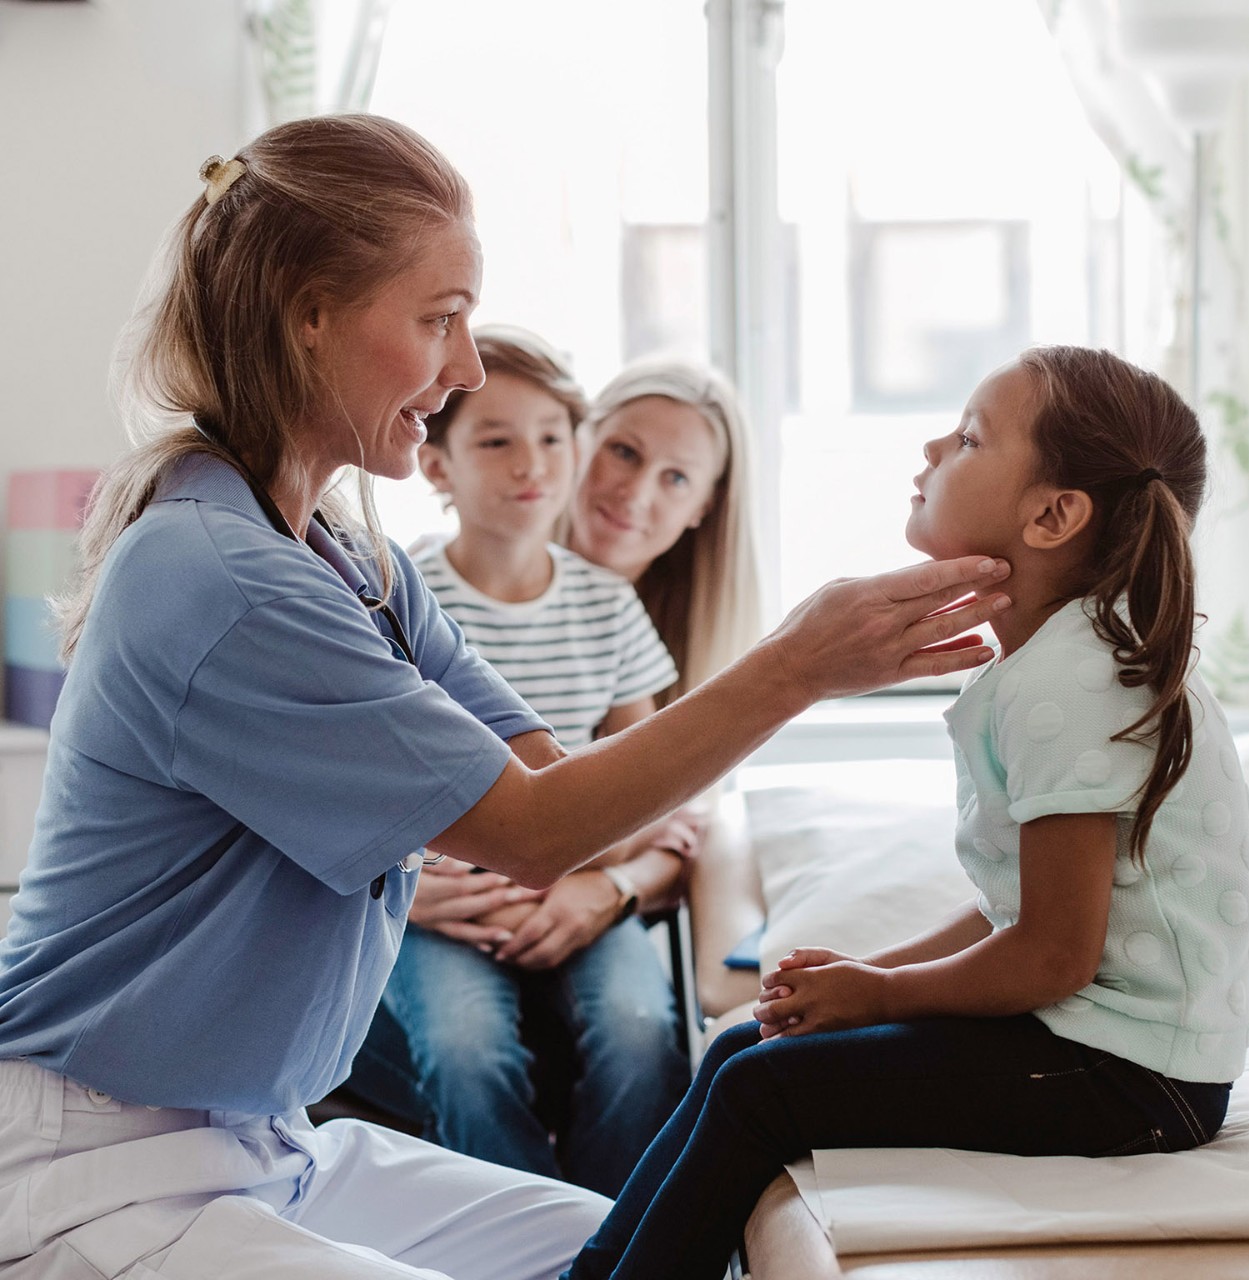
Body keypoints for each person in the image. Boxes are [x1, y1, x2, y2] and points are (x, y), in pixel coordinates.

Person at [0, 113, 1010, 1280]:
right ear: (305, 310)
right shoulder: (223, 580)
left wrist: (651, 838)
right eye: (438, 318)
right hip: (104, 1162)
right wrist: (793, 665)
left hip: (260, 1140)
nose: (468, 366)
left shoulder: (347, 557)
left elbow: (551, 781)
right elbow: (536, 835)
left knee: (664, 1251)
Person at [563, 345, 1249, 1280]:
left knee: (762, 1089)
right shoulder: (1065, 656)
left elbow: (1054, 954)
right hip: (1101, 1044)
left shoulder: (1072, 678)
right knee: (745, 1042)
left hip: (1137, 1078)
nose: (934, 444)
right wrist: (861, 976)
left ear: (1054, 515)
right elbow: (1023, 909)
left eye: (969, 436)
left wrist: (882, 996)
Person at [346, 325, 692, 1196]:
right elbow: (361, 785)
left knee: (643, 1028)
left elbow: (642, 776)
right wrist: (409, 884)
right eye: (495, 441)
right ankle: (521, 1242)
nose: (530, 464)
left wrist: (595, 870)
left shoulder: (607, 605)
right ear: (437, 465)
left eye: (550, 438)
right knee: (464, 1052)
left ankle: (614, 1238)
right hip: (445, 904)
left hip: (575, 882)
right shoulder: (392, 595)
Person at [565, 359, 761, 706]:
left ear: (704, 507)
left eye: (676, 478)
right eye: (624, 452)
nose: (636, 494)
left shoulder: (695, 654)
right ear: (581, 441)